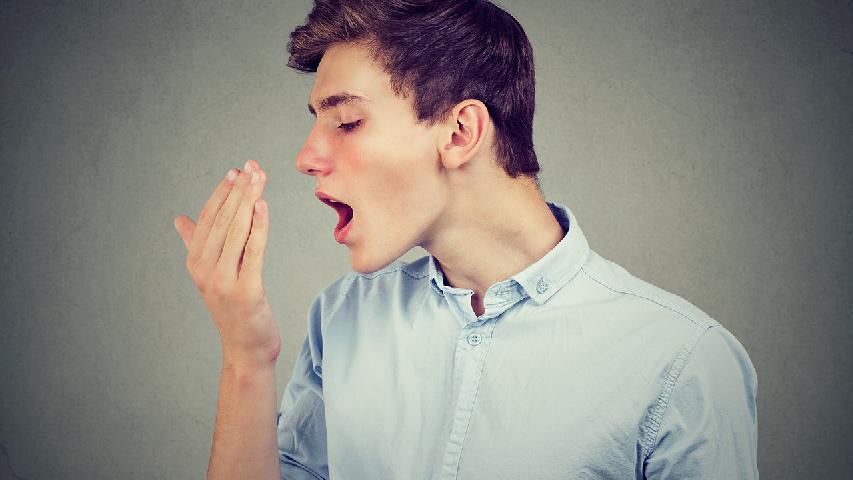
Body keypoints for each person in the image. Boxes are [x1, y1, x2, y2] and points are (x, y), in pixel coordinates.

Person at [174, 0, 759, 478]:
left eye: (347, 121)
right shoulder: (343, 317)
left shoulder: (683, 364)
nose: (306, 157)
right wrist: (247, 359)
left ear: (460, 132)